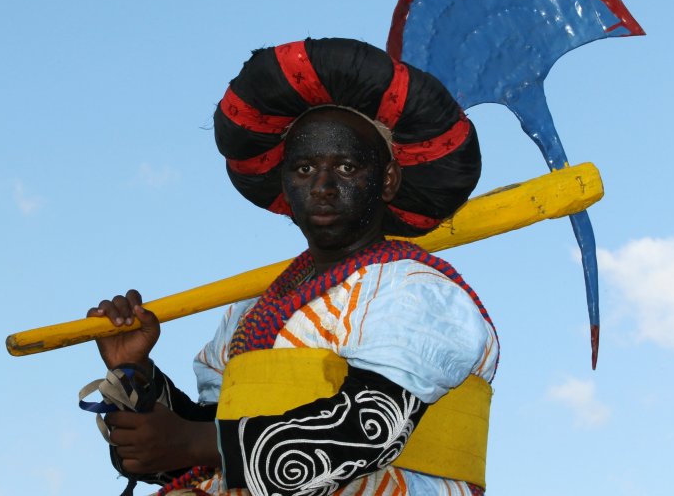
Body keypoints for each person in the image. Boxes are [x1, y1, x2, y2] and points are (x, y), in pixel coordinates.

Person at [85, 38, 499, 496]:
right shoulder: (249, 308)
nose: (321, 186)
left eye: (345, 167)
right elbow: (194, 452)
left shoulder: (418, 289)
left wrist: (191, 442)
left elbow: (370, 428)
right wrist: (136, 373)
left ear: (387, 179)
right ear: (284, 182)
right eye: (303, 169)